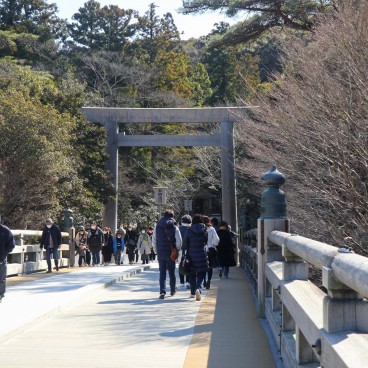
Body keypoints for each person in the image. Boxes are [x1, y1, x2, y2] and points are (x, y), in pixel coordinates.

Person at [152, 209, 182, 299]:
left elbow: (154, 240)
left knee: (162, 272)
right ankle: (172, 290)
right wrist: (177, 250)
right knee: (172, 271)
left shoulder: (157, 226)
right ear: (172, 216)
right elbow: (179, 241)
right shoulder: (175, 227)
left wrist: (156, 251)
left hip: (161, 252)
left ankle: (162, 291)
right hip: (171, 252)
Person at [182, 214, 208, 301]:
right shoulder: (204, 229)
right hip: (201, 253)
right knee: (201, 273)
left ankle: (193, 293)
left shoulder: (189, 230)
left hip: (191, 254)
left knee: (192, 273)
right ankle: (198, 288)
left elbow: (185, 244)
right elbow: (205, 241)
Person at [203, 216, 220, 289]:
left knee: (202, 266)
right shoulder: (212, 229)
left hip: (202, 249)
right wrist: (213, 245)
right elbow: (216, 239)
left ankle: (203, 280)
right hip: (210, 249)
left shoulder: (200, 229)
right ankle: (209, 281)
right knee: (210, 266)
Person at [0, 223, 15, 303]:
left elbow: (11, 244)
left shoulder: (5, 230)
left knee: (1, 278)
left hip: (1, 258)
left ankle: (0, 295)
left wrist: (4, 254)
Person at [178, 214, 192, 289]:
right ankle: (188, 281)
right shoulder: (191, 229)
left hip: (180, 250)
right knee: (189, 265)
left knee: (181, 265)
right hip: (190, 250)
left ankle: (181, 282)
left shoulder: (179, 229)